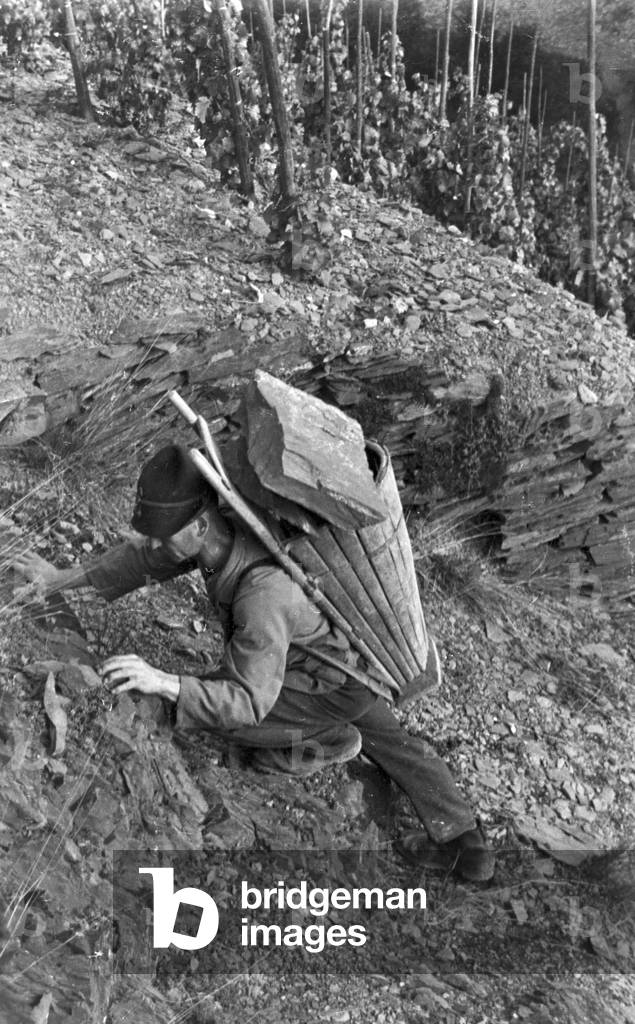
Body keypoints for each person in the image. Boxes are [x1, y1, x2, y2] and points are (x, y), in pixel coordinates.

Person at [13, 444, 495, 882]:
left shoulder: (262, 594)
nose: (157, 544)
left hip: (325, 683)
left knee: (215, 715)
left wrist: (165, 681)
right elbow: (143, 559)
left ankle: (328, 742)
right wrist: (59, 579)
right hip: (346, 662)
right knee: (394, 741)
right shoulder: (224, 531)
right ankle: (467, 842)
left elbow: (247, 700)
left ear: (200, 524)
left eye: (165, 536)